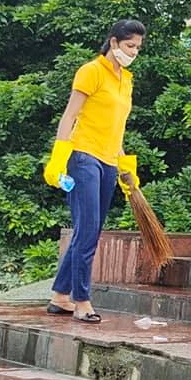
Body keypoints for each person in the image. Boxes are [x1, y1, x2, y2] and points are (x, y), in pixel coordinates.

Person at [42, 20, 146, 324]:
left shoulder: (126, 80)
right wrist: (58, 159)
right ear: (114, 43)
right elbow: (69, 116)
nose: (134, 52)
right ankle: (82, 301)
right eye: (129, 46)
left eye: (138, 48)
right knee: (86, 230)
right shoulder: (91, 71)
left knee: (91, 230)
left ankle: (60, 296)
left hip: (109, 161)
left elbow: (116, 129)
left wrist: (125, 168)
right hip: (83, 156)